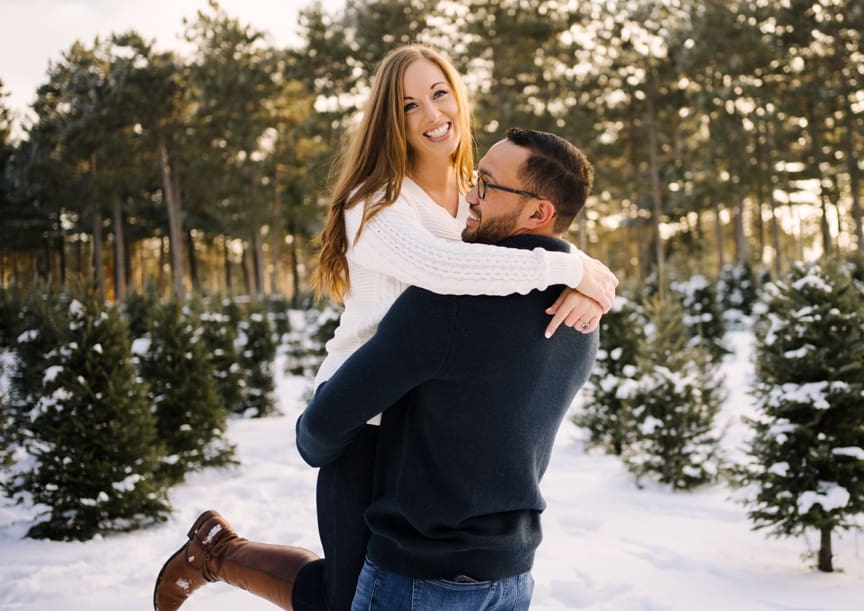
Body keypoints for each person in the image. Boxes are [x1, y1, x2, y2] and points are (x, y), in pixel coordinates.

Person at [152, 45, 616, 611]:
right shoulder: (378, 202)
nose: (431, 114)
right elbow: (445, 273)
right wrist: (575, 267)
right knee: (347, 594)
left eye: (439, 93)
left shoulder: (475, 196)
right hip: (364, 416)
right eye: (408, 106)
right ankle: (219, 554)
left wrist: (587, 277)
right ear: (388, 123)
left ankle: (217, 549)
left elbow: (527, 227)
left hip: (429, 424)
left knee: (356, 595)